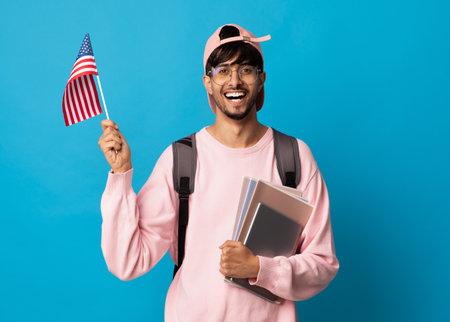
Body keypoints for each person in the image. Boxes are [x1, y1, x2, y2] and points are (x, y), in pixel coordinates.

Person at [98, 24, 339, 322]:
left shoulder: (293, 156)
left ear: (261, 79)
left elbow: (323, 264)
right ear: (207, 83)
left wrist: (260, 269)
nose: (234, 81)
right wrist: (121, 175)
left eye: (246, 69)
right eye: (222, 71)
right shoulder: (181, 159)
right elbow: (127, 262)